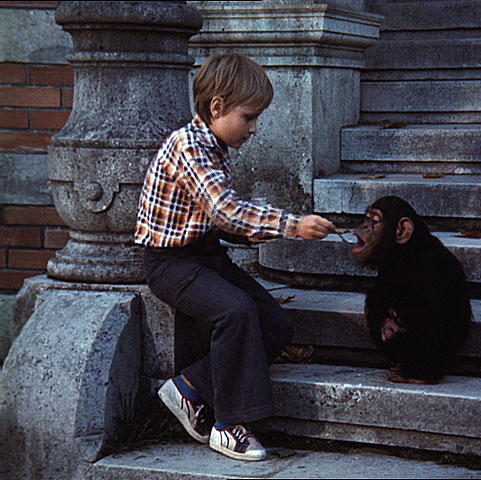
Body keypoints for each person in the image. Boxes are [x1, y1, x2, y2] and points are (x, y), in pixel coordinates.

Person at [134, 53, 335, 462]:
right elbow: (225, 211)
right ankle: (227, 426)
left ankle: (190, 387)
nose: (255, 128)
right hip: (170, 263)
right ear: (217, 108)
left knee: (274, 324)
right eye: (249, 117)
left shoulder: (214, 146)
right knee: (236, 310)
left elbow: (221, 217)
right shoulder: (188, 147)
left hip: (205, 256)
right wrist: (293, 225)